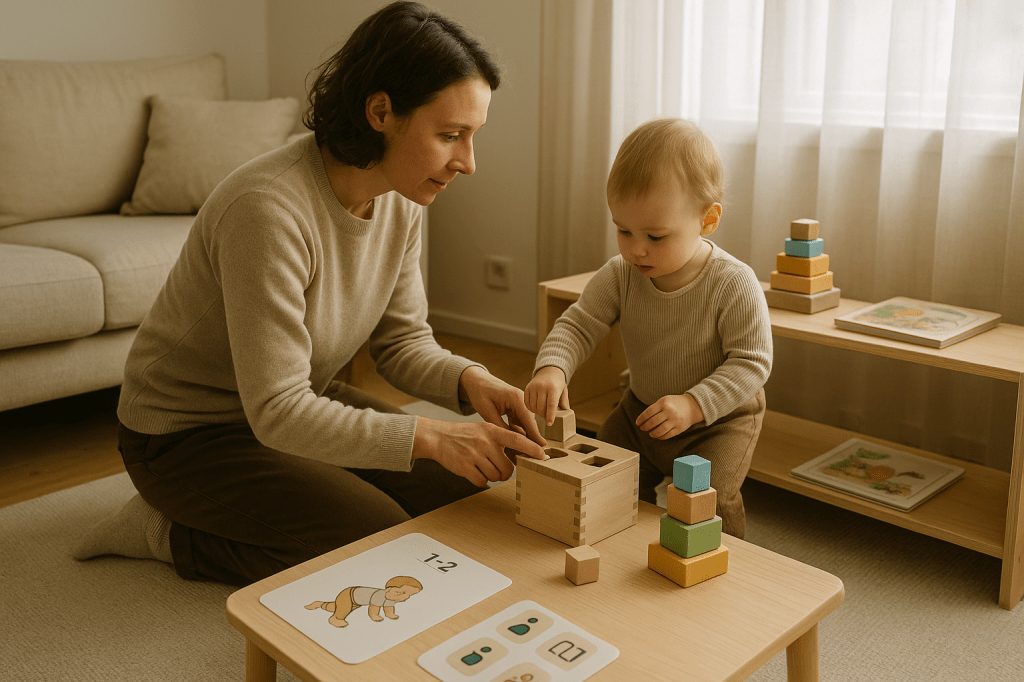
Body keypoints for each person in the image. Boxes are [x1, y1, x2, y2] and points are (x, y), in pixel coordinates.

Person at [73, 0, 546, 585]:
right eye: (451, 135)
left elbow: (401, 343)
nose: (468, 163)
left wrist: (473, 382)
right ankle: (167, 532)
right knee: (374, 541)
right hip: (185, 435)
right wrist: (428, 434)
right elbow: (277, 410)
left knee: (465, 490)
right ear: (381, 112)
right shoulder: (266, 209)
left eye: (472, 136)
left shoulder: (404, 195)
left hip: (291, 409)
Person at [525, 118, 772, 538]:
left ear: (707, 220)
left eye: (656, 236)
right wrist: (552, 367)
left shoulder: (733, 282)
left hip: (718, 422)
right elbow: (579, 324)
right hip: (640, 412)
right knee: (605, 474)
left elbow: (751, 364)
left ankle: (721, 571)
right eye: (623, 230)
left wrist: (694, 405)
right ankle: (623, 544)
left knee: (706, 501)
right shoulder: (621, 273)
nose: (635, 248)